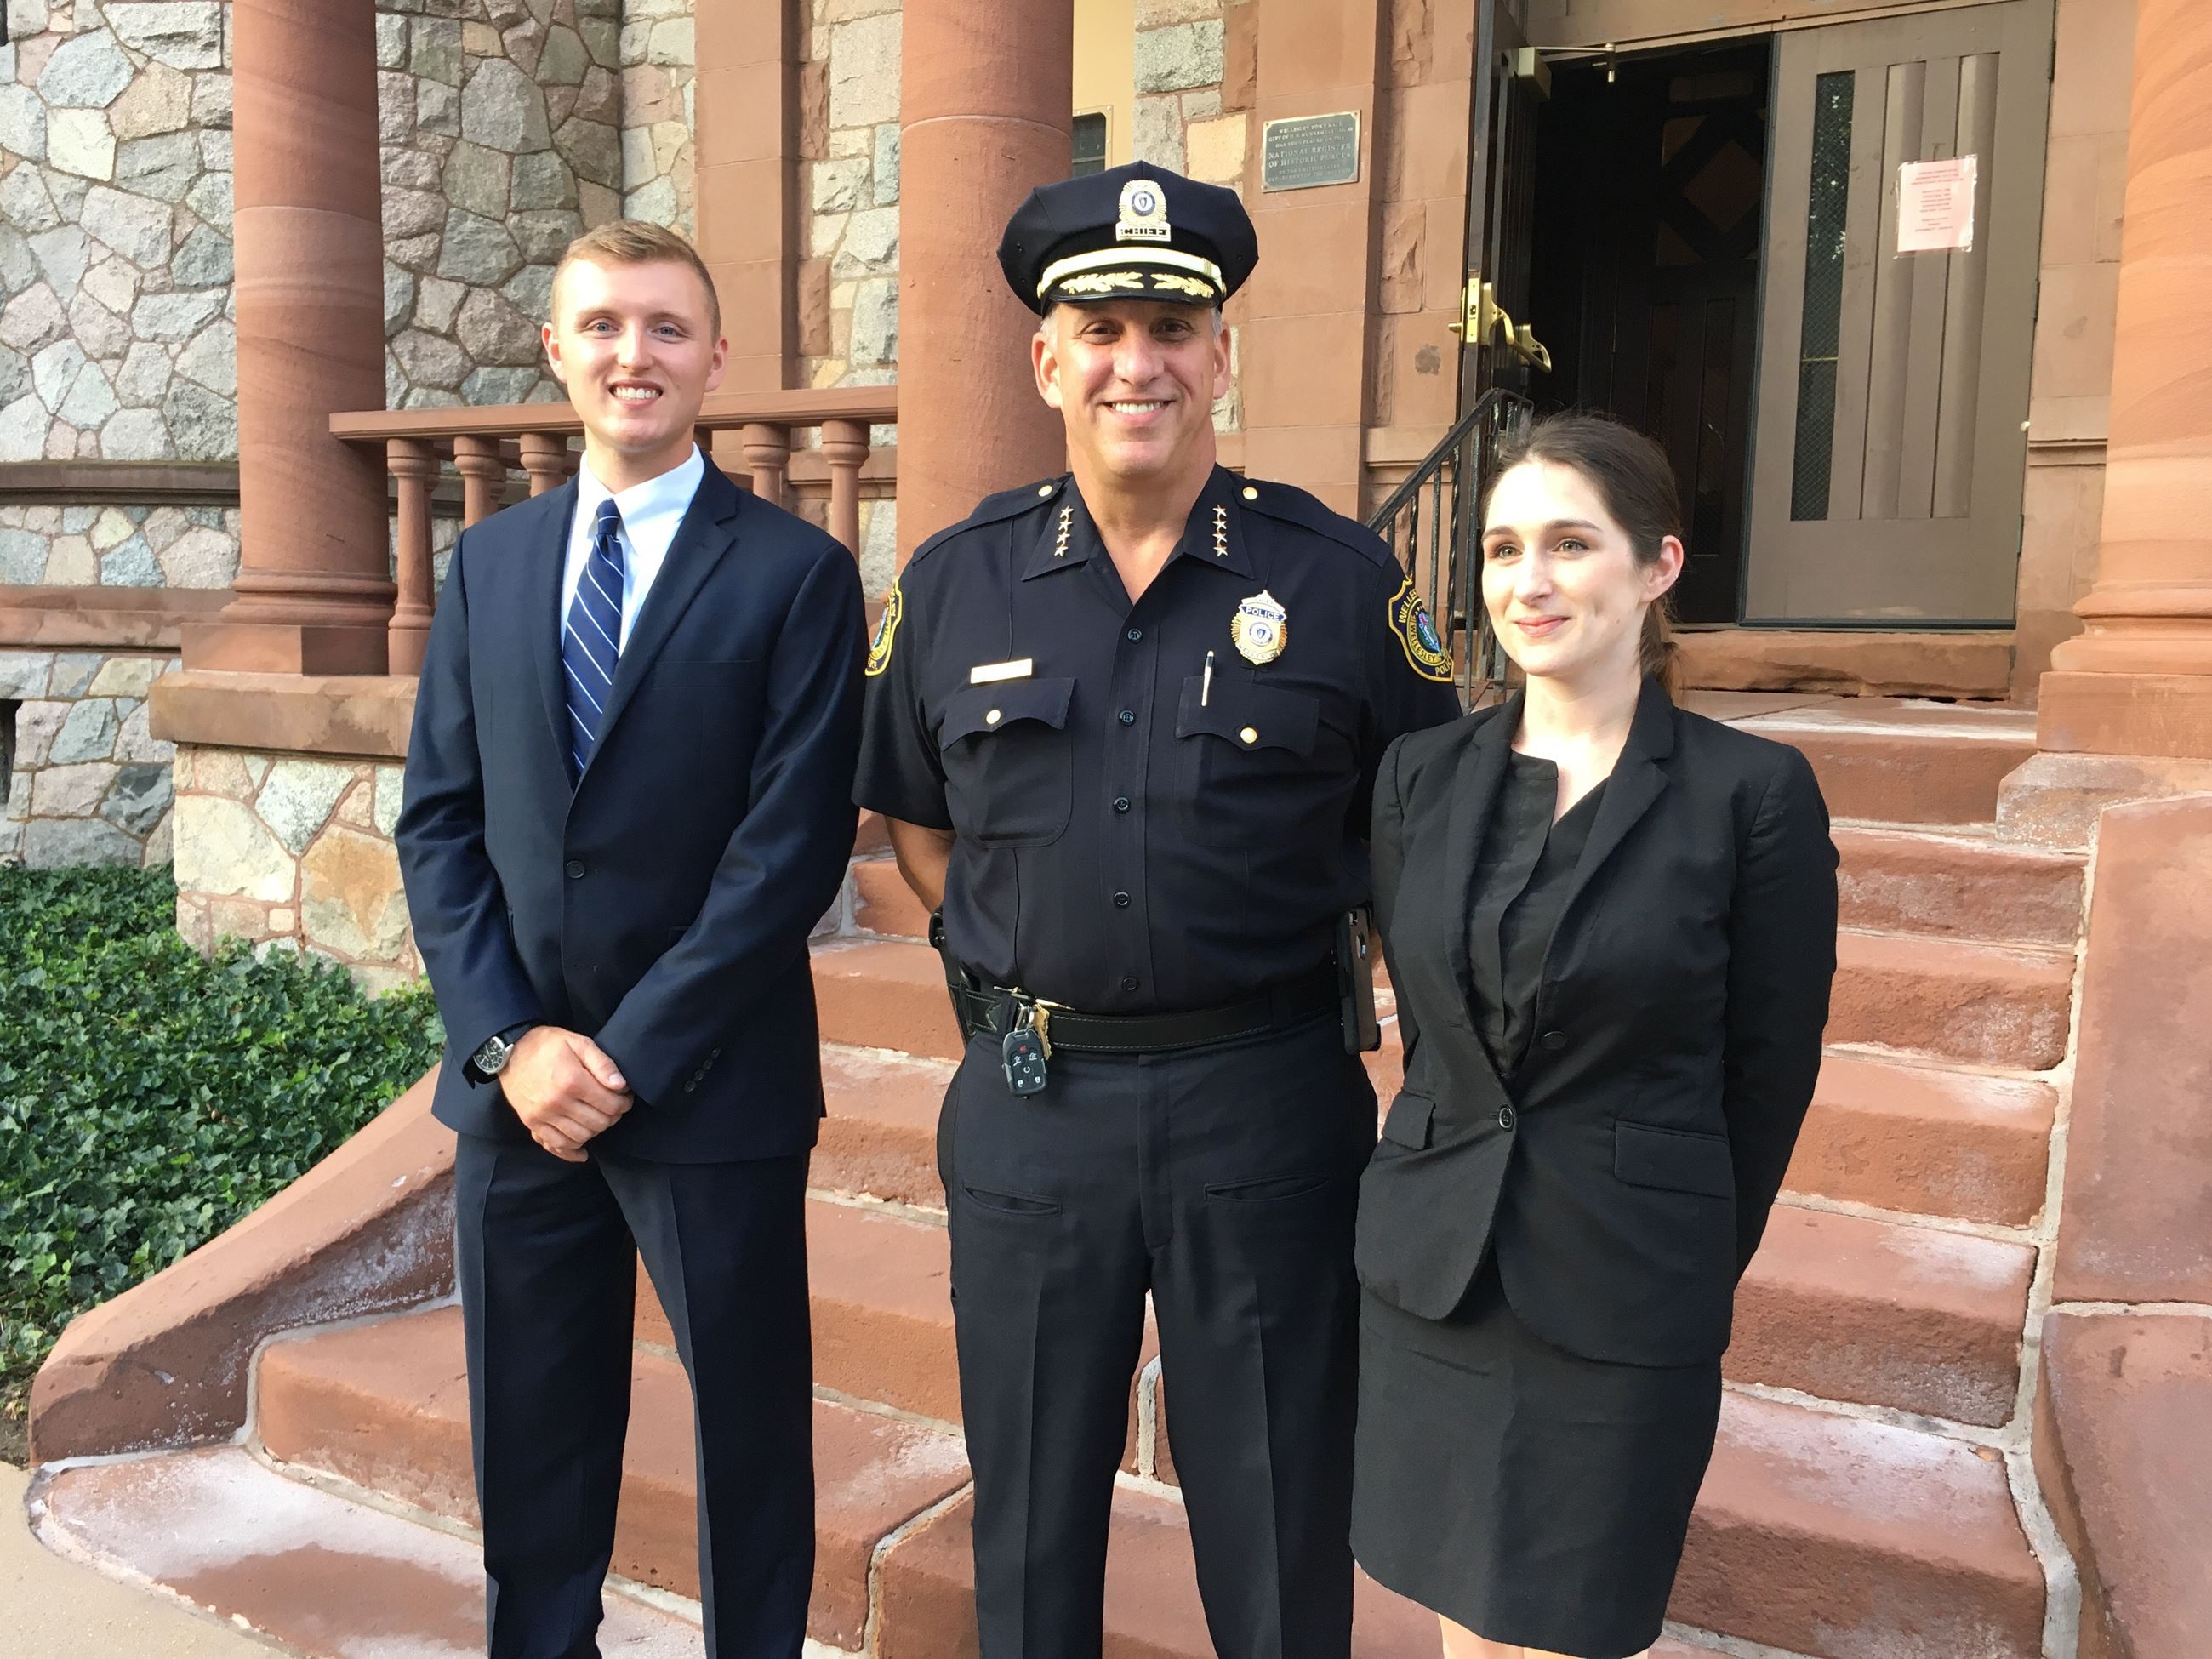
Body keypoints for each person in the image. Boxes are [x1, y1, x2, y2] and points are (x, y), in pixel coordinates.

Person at [853, 160, 1462, 1657]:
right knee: (1033, 1513)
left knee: (1274, 1512)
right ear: (1046, 357)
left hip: (1265, 1108)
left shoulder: (1337, 580)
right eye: (1105, 326)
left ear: (1222, 358)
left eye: (1174, 329)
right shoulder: (953, 585)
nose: (1142, 363)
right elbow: (922, 834)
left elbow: (1430, 838)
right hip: (1031, 1105)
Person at [395, 220, 865, 1658]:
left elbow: (786, 853)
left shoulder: (795, 574)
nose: (632, 354)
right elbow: (441, 825)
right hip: (517, 1095)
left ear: (716, 359)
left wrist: (629, 1053)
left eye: (665, 328)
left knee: (746, 1436)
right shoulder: (490, 565)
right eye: (601, 325)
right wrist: (514, 1043)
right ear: (556, 351)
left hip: (711, 1084)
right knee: (530, 1432)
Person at [1349, 412, 1839, 1659]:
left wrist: (1684, 1251)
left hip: (1625, 1287)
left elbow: (1767, 1075)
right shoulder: (1418, 777)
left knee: (1575, 1623)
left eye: (1571, 543)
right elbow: (1440, 1031)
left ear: (1657, 566)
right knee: (1462, 1615)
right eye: (1505, 548)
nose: (1529, 580)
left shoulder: (1752, 795)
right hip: (1442, 1276)